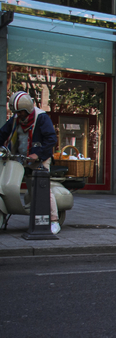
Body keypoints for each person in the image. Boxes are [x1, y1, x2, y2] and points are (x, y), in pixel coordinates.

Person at [0, 91, 61, 234]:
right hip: (20, 158)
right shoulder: (15, 119)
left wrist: (37, 154)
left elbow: (51, 139)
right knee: (24, 187)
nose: (18, 114)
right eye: (16, 112)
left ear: (27, 109)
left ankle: (54, 221)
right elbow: (2, 133)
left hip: (39, 158)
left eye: (20, 112)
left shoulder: (41, 118)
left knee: (42, 188)